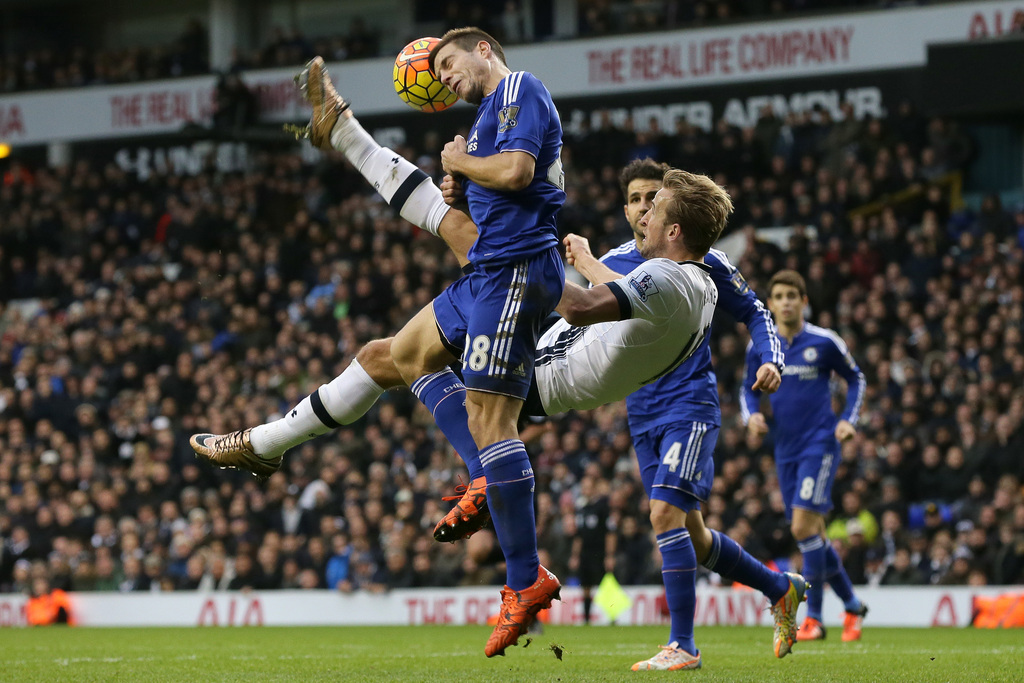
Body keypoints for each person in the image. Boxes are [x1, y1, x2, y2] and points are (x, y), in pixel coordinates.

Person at [196, 86, 805, 662]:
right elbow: (600, 291)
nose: (641, 215)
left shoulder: (680, 276)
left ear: (675, 229)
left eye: (655, 208)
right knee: (391, 352)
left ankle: (641, 616)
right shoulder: (651, 265)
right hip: (568, 363)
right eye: (638, 202)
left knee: (431, 325)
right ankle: (268, 442)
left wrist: (539, 244)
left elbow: (585, 303)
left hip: (568, 376)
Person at [742, 269, 869, 643]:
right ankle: (853, 606)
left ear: (804, 301)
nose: (785, 302)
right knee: (812, 533)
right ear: (771, 304)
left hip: (820, 444)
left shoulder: (824, 342)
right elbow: (747, 390)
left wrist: (847, 420)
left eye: (791, 296)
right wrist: (752, 417)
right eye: (778, 296)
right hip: (785, 449)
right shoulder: (761, 347)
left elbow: (856, 378)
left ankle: (813, 617)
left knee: (801, 529)